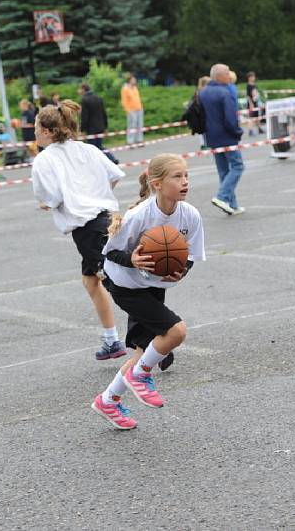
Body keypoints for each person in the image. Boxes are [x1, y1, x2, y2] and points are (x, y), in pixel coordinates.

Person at [92, 153, 206, 429]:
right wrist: (131, 258)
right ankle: (140, 376)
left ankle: (108, 400)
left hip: (153, 285)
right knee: (176, 331)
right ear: (156, 183)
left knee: (145, 350)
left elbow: (190, 256)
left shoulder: (189, 215)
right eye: (177, 177)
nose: (185, 182)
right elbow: (109, 254)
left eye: (186, 176)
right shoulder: (139, 215)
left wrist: (181, 270)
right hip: (125, 285)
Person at [30, 99, 128, 362]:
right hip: (108, 217)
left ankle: (155, 332)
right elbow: (116, 174)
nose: (34, 132)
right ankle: (111, 340)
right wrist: (98, 195)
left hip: (88, 227)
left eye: (37, 127)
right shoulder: (87, 149)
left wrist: (47, 204)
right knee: (91, 280)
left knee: (117, 283)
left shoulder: (44, 160)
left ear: (49, 131)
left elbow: (51, 197)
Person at [199, 63, 245, 215]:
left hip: (211, 137)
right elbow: (230, 118)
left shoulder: (203, 92)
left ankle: (232, 204)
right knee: (238, 166)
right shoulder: (225, 93)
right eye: (226, 73)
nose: (229, 75)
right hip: (227, 137)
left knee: (223, 170)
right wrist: (238, 132)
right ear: (219, 76)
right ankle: (222, 196)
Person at [78, 83, 119, 164]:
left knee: (92, 147)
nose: (79, 91)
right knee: (99, 146)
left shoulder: (85, 100)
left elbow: (85, 116)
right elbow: (104, 113)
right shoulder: (98, 97)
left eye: (80, 89)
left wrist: (82, 129)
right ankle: (112, 159)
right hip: (100, 126)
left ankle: (97, 163)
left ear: (83, 89)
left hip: (91, 128)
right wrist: (105, 126)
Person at [121, 75, 144, 146]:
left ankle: (139, 140)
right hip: (131, 110)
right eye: (133, 80)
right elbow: (124, 101)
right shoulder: (125, 88)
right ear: (129, 80)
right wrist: (127, 110)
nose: (134, 81)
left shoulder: (135, 88)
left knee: (139, 125)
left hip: (139, 108)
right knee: (132, 125)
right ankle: (130, 141)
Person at [245, 71, 264, 136]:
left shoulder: (254, 85)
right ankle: (250, 130)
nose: (254, 78)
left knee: (257, 116)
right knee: (251, 118)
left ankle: (259, 129)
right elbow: (248, 96)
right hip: (251, 103)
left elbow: (256, 93)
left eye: (254, 76)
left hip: (256, 103)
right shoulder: (248, 85)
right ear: (249, 78)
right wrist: (251, 103)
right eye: (252, 76)